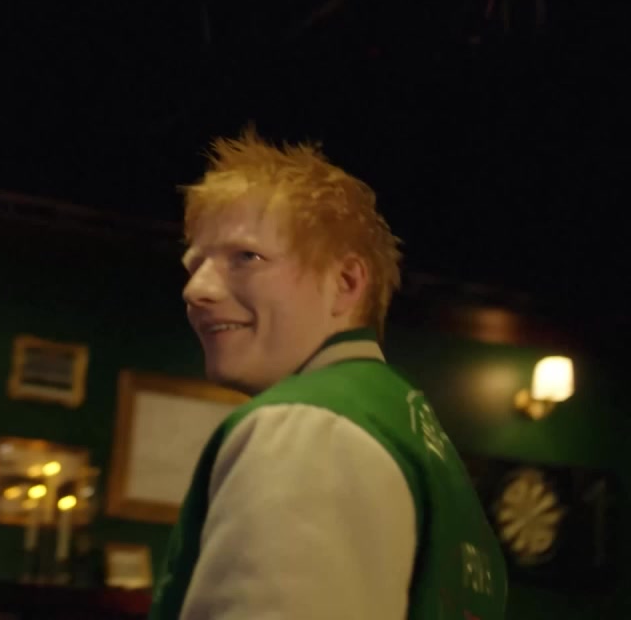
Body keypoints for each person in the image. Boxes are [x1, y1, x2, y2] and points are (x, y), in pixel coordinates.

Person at [148, 128, 507, 620]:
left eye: (246, 257)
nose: (196, 290)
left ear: (346, 282)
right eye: (194, 266)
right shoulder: (413, 436)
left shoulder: (306, 428)